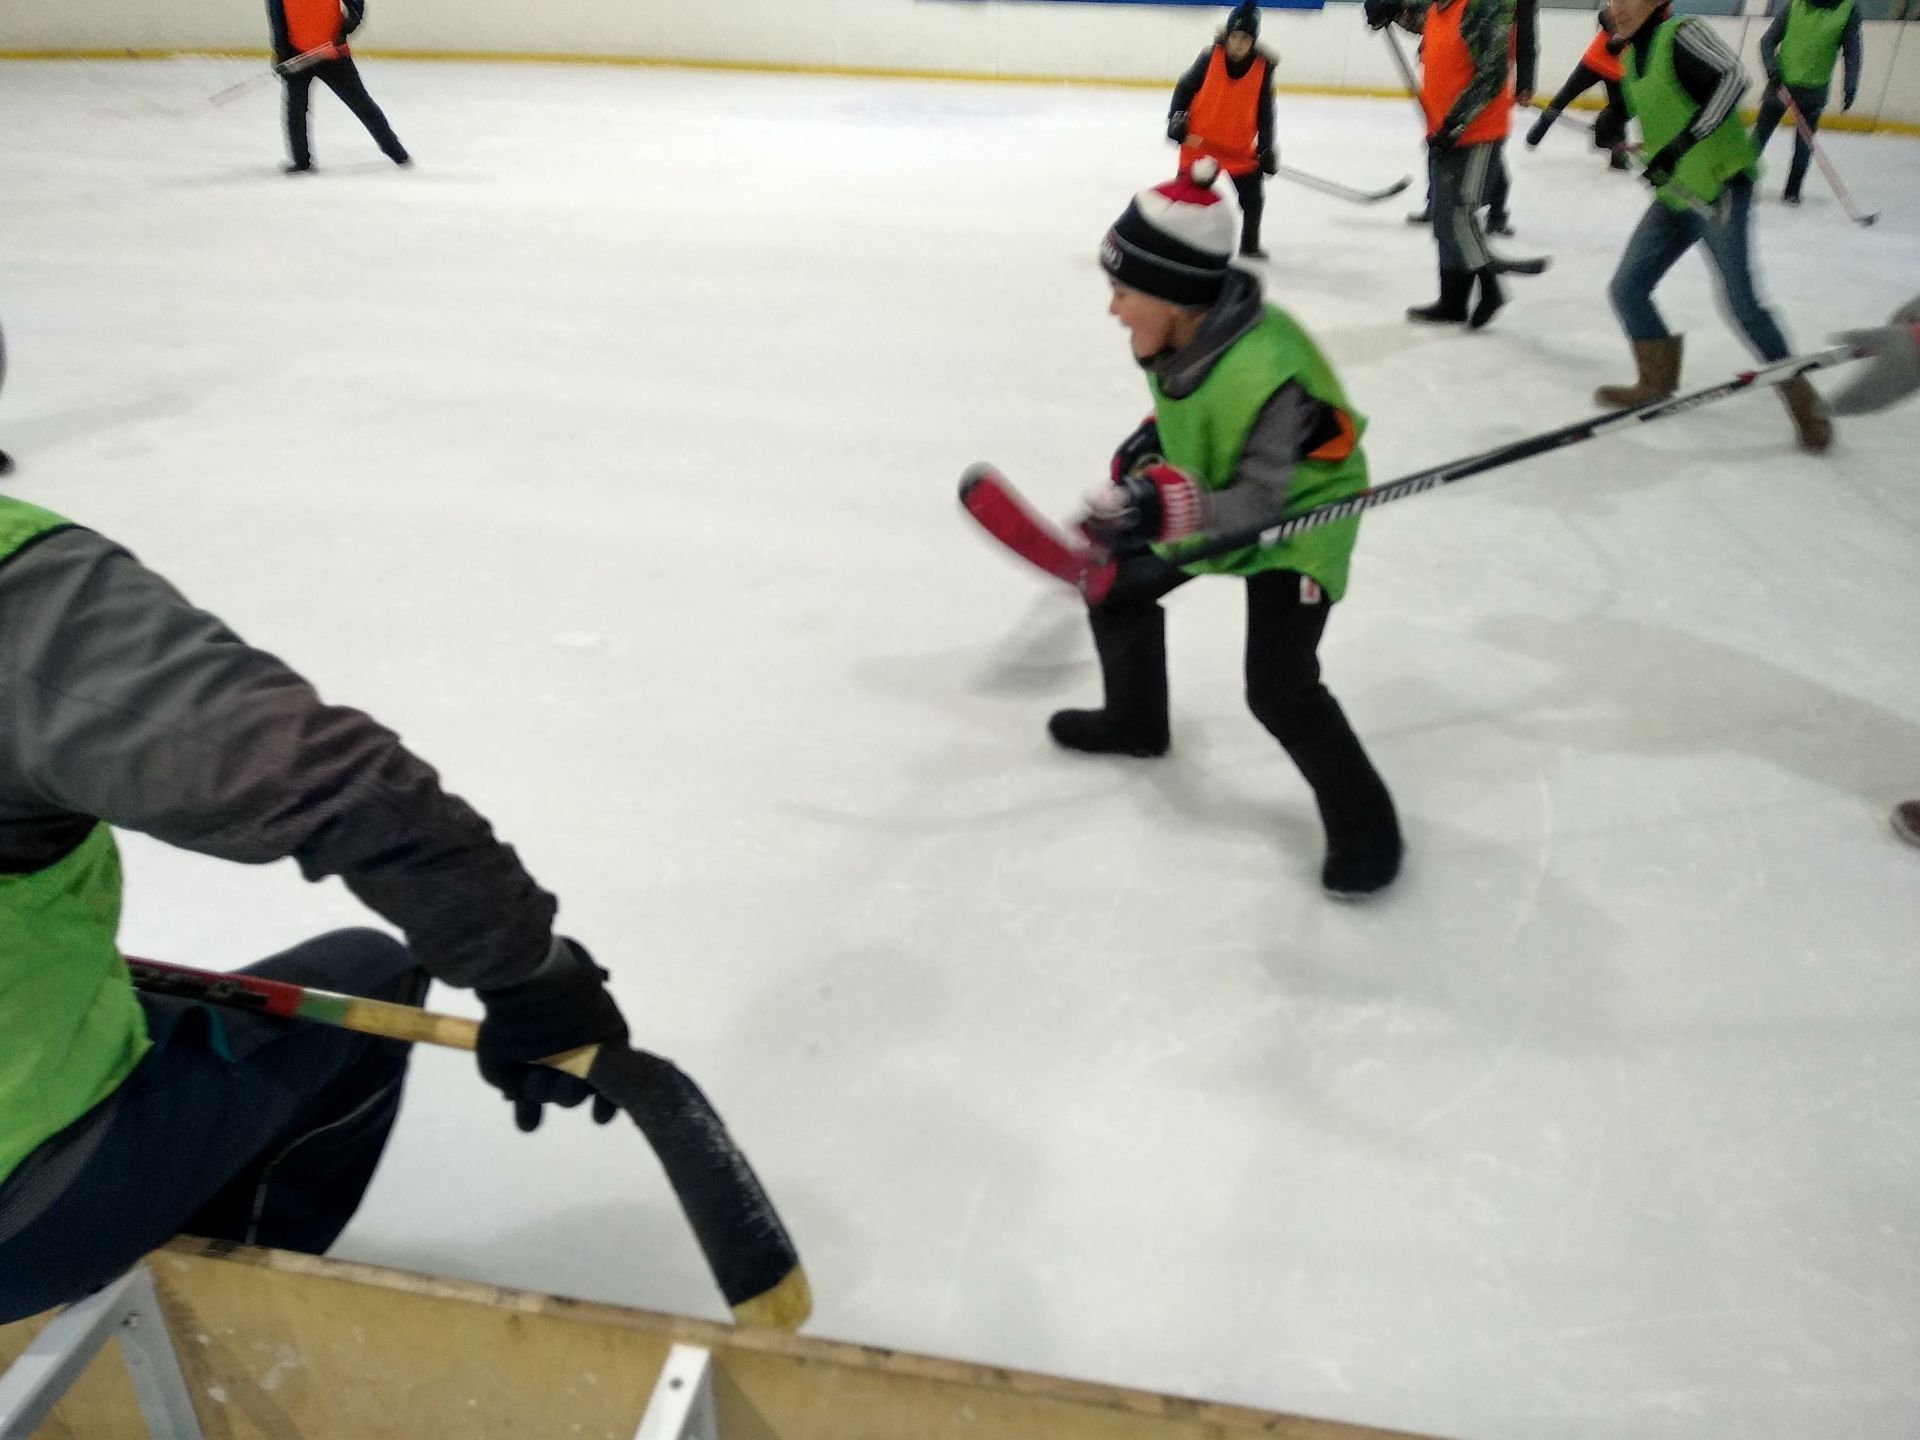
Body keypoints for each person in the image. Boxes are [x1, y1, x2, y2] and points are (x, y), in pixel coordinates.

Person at [0, 493, 630, 1323]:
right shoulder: (26, 596)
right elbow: (334, 787)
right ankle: (226, 1332)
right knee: (368, 991)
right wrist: (533, 981)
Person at [1062, 161, 1404, 899]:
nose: (1114, 310)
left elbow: (1258, 505)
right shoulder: (1178, 336)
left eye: (1122, 292)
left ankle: (1368, 826)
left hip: (1301, 518)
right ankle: (1134, 721)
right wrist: (1144, 454)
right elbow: (1188, 417)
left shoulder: (1270, 371)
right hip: (1211, 493)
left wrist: (1159, 505)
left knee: (1280, 688)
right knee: (1116, 589)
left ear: (1174, 296)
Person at [1593, 0, 1832, 453]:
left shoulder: (1683, 33)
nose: (1615, 8)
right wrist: (1612, 119)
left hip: (1719, 186)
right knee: (1627, 289)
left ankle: (1804, 401)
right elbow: (1654, 101)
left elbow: (1733, 78)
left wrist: (1684, 142)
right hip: (1675, 194)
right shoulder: (1631, 53)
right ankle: (1656, 383)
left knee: (1742, 303)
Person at [1365, 0, 1519, 330]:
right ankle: (1452, 303)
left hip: (1477, 132)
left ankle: (1490, 289)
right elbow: (1418, 20)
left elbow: (1492, 73)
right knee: (1443, 220)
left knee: (1459, 215)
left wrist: (1455, 124)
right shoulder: (1440, 5)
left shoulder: (1481, 7)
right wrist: (1391, 10)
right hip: (1442, 129)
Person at [1168, 2, 1281, 260]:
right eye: (1235, 37)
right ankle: (1175, 240)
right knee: (1184, 198)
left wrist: (1266, 148)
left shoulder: (1262, 70)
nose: (1239, 44)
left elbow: (1266, 113)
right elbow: (1183, 90)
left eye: (1246, 38)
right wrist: (1175, 119)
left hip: (1238, 150)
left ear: (1254, 41)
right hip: (1199, 145)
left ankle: (1249, 245)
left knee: (1253, 201)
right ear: (1227, 36)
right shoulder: (1210, 58)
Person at [269, 0, 410, 174]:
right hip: (298, 56)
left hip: (334, 56)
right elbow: (276, 17)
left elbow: (355, 7)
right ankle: (301, 160)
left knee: (361, 103)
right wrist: (282, 52)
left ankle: (396, 151)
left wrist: (345, 29)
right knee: (295, 110)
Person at [1751, 0, 1862, 205]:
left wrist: (1850, 86)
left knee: (1803, 147)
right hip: (1780, 87)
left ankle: (1792, 191)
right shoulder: (1795, 5)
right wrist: (1772, 69)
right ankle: (1737, 183)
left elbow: (1852, 53)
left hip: (1813, 92)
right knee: (1758, 139)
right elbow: (1767, 41)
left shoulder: (1847, 11)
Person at [1526, 9, 1631, 170]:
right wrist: (1614, 33)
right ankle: (1535, 134)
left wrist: (1622, 38)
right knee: (1566, 96)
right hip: (1596, 60)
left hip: (1616, 68)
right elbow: (1603, 15)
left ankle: (1618, 154)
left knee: (1618, 111)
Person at [1479, 0, 1537, 236]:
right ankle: (1437, 204)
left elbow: (1526, 35)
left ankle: (1497, 212)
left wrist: (1525, 82)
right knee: (1444, 140)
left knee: (1490, 145)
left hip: (1494, 75)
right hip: (1459, 66)